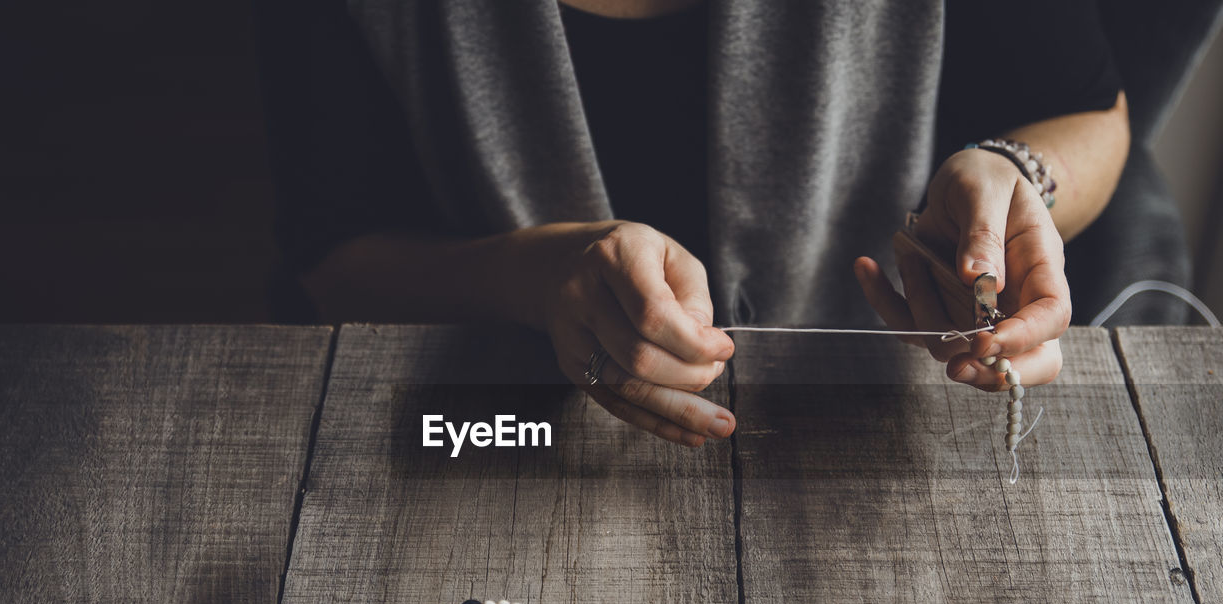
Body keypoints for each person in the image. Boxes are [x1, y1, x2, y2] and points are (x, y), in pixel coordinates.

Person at [257, 0, 1128, 446]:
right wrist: (539, 277)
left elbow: (1092, 118)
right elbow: (333, 255)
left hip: (885, 421)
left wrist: (1016, 177)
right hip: (493, 429)